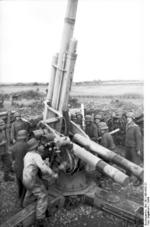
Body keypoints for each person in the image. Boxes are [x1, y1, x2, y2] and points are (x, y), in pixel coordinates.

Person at [23, 138, 58, 227]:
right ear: (36, 147)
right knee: (43, 194)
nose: (41, 147)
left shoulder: (27, 154)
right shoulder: (36, 156)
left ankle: (25, 206)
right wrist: (53, 174)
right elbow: (44, 169)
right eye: (39, 145)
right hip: (31, 179)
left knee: (30, 190)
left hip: (25, 178)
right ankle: (40, 219)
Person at [10, 129, 29, 207]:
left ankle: (19, 195)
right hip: (24, 168)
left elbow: (12, 158)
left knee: (19, 183)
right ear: (25, 137)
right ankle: (22, 202)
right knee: (25, 185)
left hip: (17, 168)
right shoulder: (27, 146)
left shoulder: (14, 146)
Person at [125, 112, 142, 186]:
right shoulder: (127, 125)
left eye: (129, 118)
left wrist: (138, 149)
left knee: (135, 163)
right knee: (127, 162)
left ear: (132, 119)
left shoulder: (136, 127)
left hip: (134, 148)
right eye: (127, 118)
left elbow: (139, 139)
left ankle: (138, 179)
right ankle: (128, 177)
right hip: (128, 147)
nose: (127, 119)